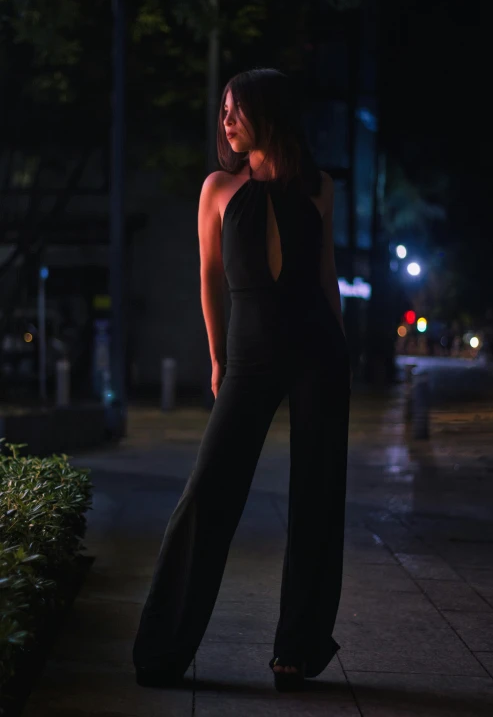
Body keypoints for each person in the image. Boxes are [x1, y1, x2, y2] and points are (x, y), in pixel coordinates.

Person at [133, 68, 351, 692]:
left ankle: (296, 650)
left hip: (318, 352)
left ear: (269, 112)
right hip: (250, 355)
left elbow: (326, 276)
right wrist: (218, 358)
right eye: (223, 109)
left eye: (236, 108)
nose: (225, 119)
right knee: (210, 492)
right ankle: (162, 648)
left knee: (317, 499)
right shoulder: (219, 188)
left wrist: (343, 353)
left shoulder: (319, 188)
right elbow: (209, 278)